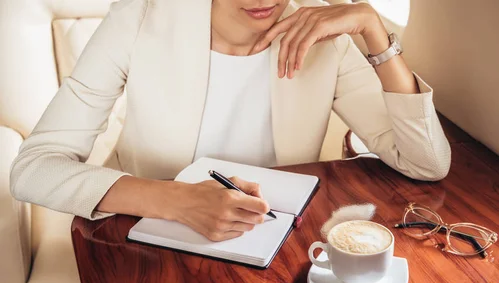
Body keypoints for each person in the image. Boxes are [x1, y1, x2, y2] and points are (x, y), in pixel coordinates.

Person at [9, 0, 451, 242]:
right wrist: (178, 201)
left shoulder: (321, 36)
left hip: (271, 246)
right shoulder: (141, 19)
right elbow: (36, 167)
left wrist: (373, 28)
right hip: (144, 248)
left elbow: (426, 163)